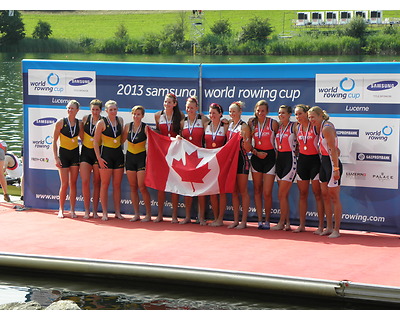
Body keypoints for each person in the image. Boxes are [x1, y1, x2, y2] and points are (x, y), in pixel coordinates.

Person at [308, 106, 343, 238]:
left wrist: (336, 169)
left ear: (321, 116)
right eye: (309, 117)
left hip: (332, 164)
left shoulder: (326, 127)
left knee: (334, 197)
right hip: (323, 163)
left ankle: (336, 230)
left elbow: (334, 150)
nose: (311, 120)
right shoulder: (318, 127)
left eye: (313, 117)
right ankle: (328, 227)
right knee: (325, 196)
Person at [154, 93, 184, 223]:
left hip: (175, 153)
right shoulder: (157, 115)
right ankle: (160, 214)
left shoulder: (181, 116)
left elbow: (182, 133)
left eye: (170, 102)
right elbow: (157, 132)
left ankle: (174, 215)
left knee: (175, 184)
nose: (167, 104)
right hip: (162, 153)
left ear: (175, 104)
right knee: (161, 185)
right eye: (165, 102)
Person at [293, 104, 324, 234]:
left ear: (306, 114)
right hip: (302, 162)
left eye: (300, 114)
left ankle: (321, 226)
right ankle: (301, 225)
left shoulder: (316, 127)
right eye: (296, 114)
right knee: (303, 194)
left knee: (318, 194)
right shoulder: (296, 127)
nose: (298, 117)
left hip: (315, 162)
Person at [248, 100, 278, 230]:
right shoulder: (251, 123)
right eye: (258, 110)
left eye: (263, 111)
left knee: (267, 192)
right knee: (257, 190)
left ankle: (267, 220)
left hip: (269, 158)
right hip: (256, 157)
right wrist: (255, 152)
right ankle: (259, 219)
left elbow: (281, 139)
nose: (260, 113)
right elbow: (247, 143)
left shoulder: (273, 123)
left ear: (267, 112)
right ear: (255, 110)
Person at [93, 100, 125, 221]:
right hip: (105, 156)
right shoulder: (101, 122)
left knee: (117, 185)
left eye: (115, 109)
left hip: (118, 155)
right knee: (105, 185)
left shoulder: (120, 121)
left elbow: (121, 138)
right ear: (106, 111)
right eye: (110, 110)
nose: (113, 111)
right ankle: (105, 212)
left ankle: (117, 212)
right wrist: (99, 159)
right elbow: (95, 142)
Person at [179, 96, 209, 225]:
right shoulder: (182, 121)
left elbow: (215, 125)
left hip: (200, 157)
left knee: (200, 188)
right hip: (187, 158)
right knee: (187, 188)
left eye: (192, 107)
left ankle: (201, 217)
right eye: (187, 107)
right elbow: (181, 136)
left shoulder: (203, 119)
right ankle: (187, 217)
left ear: (197, 108)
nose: (189, 110)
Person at [121, 105, 152, 222]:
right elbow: (120, 141)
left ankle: (148, 214)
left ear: (142, 116)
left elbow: (152, 143)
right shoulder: (127, 126)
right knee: (133, 187)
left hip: (141, 158)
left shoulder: (145, 128)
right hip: (130, 158)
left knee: (142, 186)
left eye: (138, 114)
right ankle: (136, 214)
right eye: (134, 114)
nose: (136, 116)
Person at [52, 100, 81, 218]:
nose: (70, 110)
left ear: (77, 110)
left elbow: (84, 139)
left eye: (72, 108)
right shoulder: (60, 122)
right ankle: (61, 209)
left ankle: (73, 210)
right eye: (68, 108)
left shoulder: (80, 124)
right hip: (63, 154)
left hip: (75, 154)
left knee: (73, 183)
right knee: (64, 184)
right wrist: (56, 158)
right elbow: (54, 141)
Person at [226, 101, 252, 229]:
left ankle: (243, 221)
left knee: (243, 191)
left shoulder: (244, 126)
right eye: (230, 111)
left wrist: (245, 138)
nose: (232, 114)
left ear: (240, 112)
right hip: (231, 161)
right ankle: (235, 220)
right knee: (234, 191)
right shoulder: (229, 125)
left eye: (234, 111)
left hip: (242, 160)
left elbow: (248, 148)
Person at [271, 105, 297, 231]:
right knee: (283, 195)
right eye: (279, 113)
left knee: (281, 194)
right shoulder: (279, 127)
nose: (281, 115)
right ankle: (287, 223)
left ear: (289, 114)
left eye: (283, 113)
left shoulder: (294, 126)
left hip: (290, 161)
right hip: (279, 160)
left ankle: (281, 222)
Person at [206, 103, 229, 227]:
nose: (211, 115)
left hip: (221, 162)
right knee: (212, 191)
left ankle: (220, 218)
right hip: (209, 162)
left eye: (214, 113)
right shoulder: (206, 125)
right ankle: (215, 218)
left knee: (221, 191)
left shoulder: (225, 126)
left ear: (220, 114)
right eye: (210, 113)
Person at [79, 99, 103, 219]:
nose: (95, 112)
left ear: (101, 110)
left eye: (97, 110)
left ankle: (95, 211)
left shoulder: (103, 121)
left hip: (97, 153)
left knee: (97, 182)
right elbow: (82, 135)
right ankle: (87, 210)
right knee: (85, 182)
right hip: (85, 153)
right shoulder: (85, 119)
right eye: (93, 109)